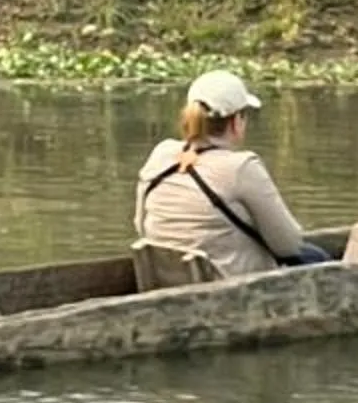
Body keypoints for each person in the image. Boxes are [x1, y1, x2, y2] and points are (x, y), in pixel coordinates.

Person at [132, 69, 331, 279]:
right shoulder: (242, 167)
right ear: (236, 122)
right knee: (316, 257)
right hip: (225, 284)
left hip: (162, 277)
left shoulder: (162, 153)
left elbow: (141, 225)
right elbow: (288, 245)